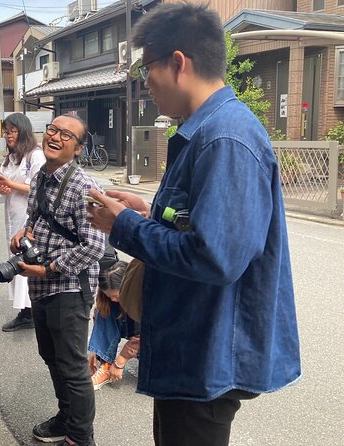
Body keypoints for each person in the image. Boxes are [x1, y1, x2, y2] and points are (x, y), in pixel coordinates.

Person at [86, 4, 301, 446]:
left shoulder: (225, 138)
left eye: (147, 69)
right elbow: (198, 225)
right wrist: (147, 212)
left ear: (178, 63)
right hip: (195, 348)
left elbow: (214, 256)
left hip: (208, 354)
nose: (145, 86)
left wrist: (124, 225)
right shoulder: (209, 131)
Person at [11, 114, 105, 446]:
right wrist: (25, 231)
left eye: (66, 135)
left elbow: (94, 245)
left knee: (73, 366)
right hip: (40, 286)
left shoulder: (85, 186)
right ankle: (67, 418)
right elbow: (35, 217)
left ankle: (80, 437)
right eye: (52, 130)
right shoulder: (39, 177)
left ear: (78, 149)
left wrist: (50, 268)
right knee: (52, 358)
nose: (56, 137)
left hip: (68, 287)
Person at [0, 113, 46, 332]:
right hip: (12, 215)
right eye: (6, 132)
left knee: (26, 261)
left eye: (12, 131)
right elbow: (8, 185)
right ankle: (30, 311)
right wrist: (2, 188)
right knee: (17, 260)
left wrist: (11, 185)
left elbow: (39, 187)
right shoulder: (11, 157)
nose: (8, 136)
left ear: (23, 131)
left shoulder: (35, 156)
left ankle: (29, 313)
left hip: (29, 218)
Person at [87, 260, 140, 391]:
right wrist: (97, 352)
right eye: (108, 296)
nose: (113, 299)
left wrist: (120, 361)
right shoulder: (109, 299)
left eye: (116, 296)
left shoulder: (146, 295)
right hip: (132, 327)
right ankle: (105, 366)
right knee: (104, 310)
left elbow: (145, 335)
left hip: (161, 342)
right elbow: (100, 321)